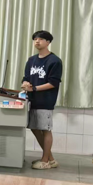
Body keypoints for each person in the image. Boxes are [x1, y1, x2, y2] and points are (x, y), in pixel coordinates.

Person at [22, 30, 63, 170]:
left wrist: (34, 88)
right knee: (34, 127)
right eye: (35, 39)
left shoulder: (55, 61)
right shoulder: (31, 60)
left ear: (48, 42)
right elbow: (26, 77)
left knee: (45, 130)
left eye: (40, 39)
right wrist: (25, 84)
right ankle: (50, 159)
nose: (37, 41)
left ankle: (45, 161)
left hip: (46, 100)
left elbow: (53, 83)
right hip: (32, 100)